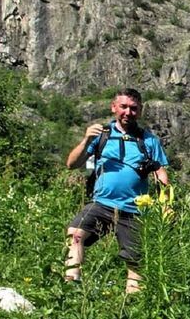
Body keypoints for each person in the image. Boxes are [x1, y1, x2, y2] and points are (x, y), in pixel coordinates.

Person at [64, 88, 169, 294]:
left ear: (140, 111)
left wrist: (166, 203)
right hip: (101, 203)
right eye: (123, 107)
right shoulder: (101, 135)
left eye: (133, 108)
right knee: (75, 234)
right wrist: (86, 140)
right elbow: (72, 164)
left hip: (134, 210)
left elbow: (161, 173)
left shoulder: (149, 141)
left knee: (135, 261)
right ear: (114, 107)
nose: (128, 112)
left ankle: (132, 303)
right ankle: (70, 289)